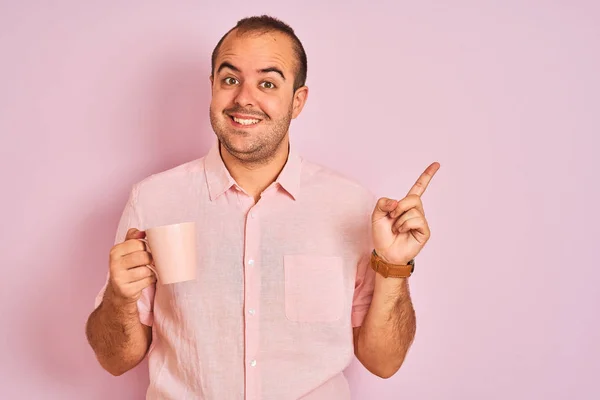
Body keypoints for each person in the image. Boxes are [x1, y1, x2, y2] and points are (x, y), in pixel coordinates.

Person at [85, 15, 440, 400]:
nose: (243, 98)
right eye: (230, 79)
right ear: (212, 88)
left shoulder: (351, 205)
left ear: (297, 101)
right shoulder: (154, 200)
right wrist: (120, 299)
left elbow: (383, 363)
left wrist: (393, 268)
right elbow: (115, 361)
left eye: (267, 83)